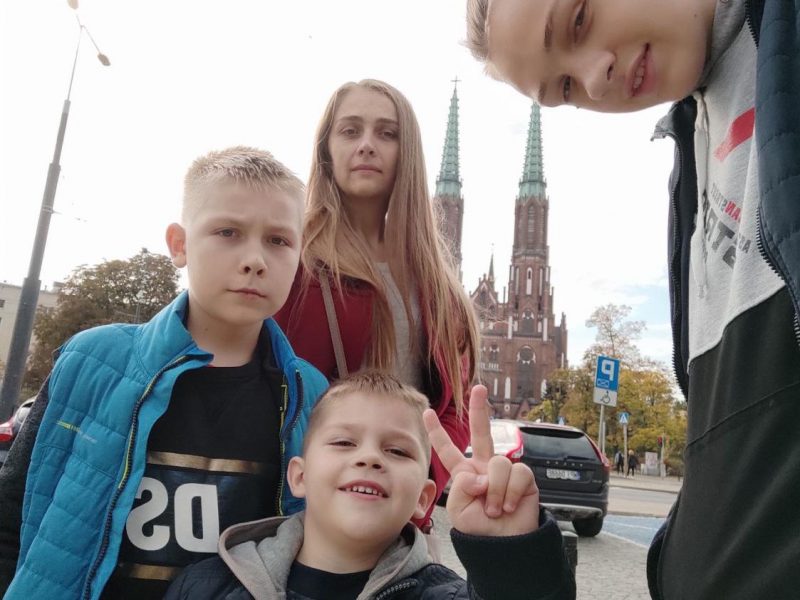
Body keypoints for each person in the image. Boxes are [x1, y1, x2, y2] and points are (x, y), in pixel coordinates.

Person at [464, 0, 800, 598]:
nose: (594, 80)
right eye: (564, 88)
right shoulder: (692, 146)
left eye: (578, 19)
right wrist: (513, 561)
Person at [0, 147, 329, 599]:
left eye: (278, 240)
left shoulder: (311, 395)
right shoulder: (91, 361)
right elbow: (13, 514)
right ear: (179, 244)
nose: (255, 259)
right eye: (228, 232)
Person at [163, 371, 576, 599]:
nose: (370, 457)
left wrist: (511, 558)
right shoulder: (206, 588)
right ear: (299, 476)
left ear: (424, 499)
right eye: (344, 442)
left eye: (397, 451)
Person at [274, 79, 480, 526]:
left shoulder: (439, 287)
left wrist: (419, 481)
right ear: (326, 149)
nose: (367, 144)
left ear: (407, 154)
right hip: (304, 519)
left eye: (387, 133)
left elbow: (453, 409)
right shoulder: (292, 260)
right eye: (350, 130)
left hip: (400, 525)